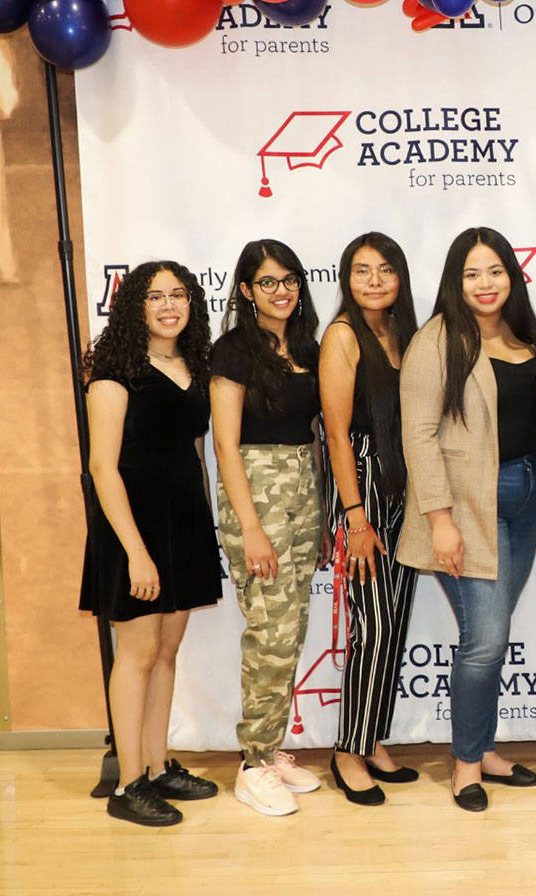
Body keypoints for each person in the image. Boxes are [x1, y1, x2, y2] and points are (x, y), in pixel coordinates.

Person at [397, 227, 536, 812]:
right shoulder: (437, 340)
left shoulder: (524, 336)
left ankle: (483, 748)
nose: (485, 285)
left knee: (493, 634)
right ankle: (466, 765)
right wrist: (440, 519)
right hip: (466, 509)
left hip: (523, 498)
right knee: (484, 642)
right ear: (454, 281)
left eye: (495, 272)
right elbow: (419, 433)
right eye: (471, 274)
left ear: (511, 277)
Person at [78, 260, 221, 827]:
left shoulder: (192, 365)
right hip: (131, 529)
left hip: (182, 522)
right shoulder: (115, 374)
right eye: (156, 296)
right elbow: (102, 468)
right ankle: (128, 783)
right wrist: (136, 551)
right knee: (136, 656)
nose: (169, 305)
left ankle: (159, 766)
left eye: (178, 295)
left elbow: (190, 453)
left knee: (165, 653)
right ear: (135, 305)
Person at [210, 239, 326, 817]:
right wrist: (251, 529)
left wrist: (323, 513)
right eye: (268, 282)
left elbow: (315, 434)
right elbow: (226, 447)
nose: (282, 291)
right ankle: (253, 762)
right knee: (271, 633)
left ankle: (271, 746)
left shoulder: (306, 343)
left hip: (304, 492)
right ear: (246, 290)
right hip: (256, 492)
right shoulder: (234, 350)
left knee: (291, 628)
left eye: (290, 280)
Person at [317, 233, 421, 806]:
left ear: (401, 278)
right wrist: (356, 519)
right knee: (373, 628)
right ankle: (347, 750)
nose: (374, 280)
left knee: (393, 626)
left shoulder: (401, 334)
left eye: (385, 270)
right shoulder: (342, 336)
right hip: (362, 491)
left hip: (401, 486)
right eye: (362, 271)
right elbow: (336, 431)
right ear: (346, 279)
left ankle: (372, 737)